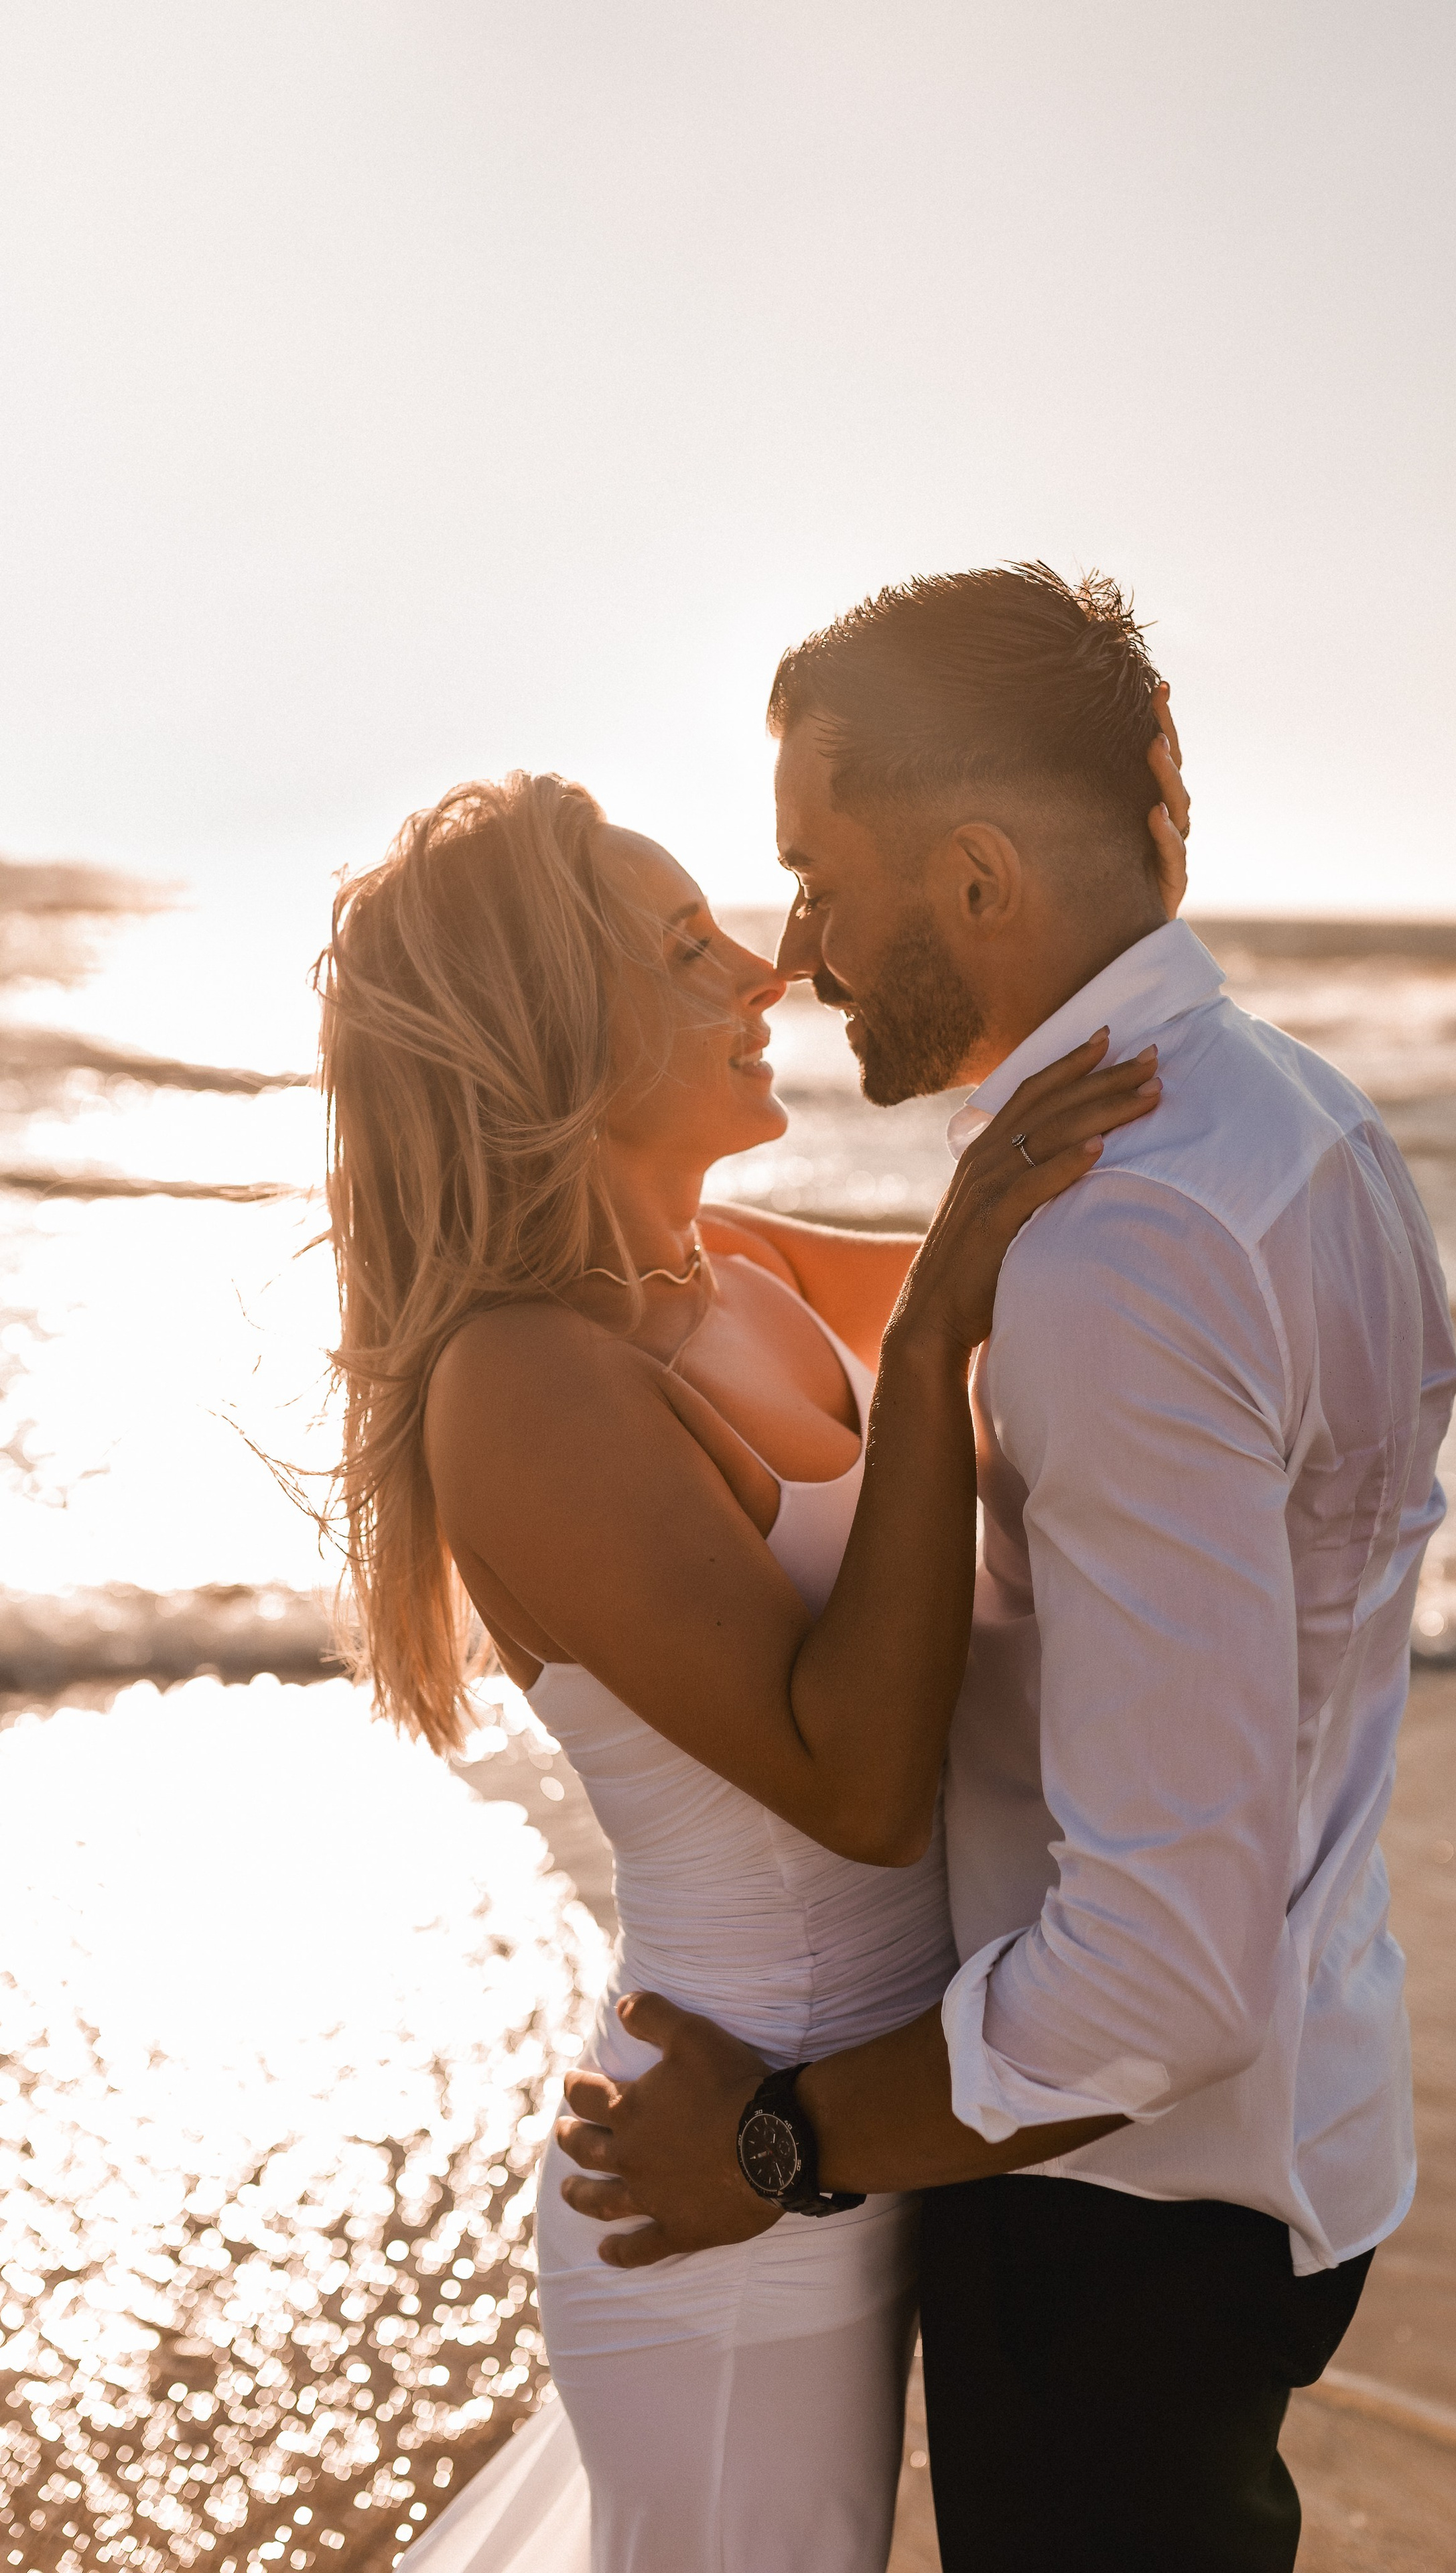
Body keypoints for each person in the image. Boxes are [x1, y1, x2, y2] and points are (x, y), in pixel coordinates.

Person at [556, 563, 1456, 2571]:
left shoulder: (1121, 1251)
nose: (795, 951)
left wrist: (776, 2144)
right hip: (1284, 2135)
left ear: (974, 876)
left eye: (817, 879)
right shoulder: (1295, 1125)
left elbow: (1154, 1977)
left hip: (1116, 2210)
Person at [314, 759, 1175, 2572]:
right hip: (726, 2195)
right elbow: (859, 1792)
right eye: (684, 946)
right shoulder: (525, 1378)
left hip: (855, 2136)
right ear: (548, 1022)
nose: (763, 970)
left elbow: (1071, 1258)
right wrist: (929, 1339)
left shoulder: (723, 1269)